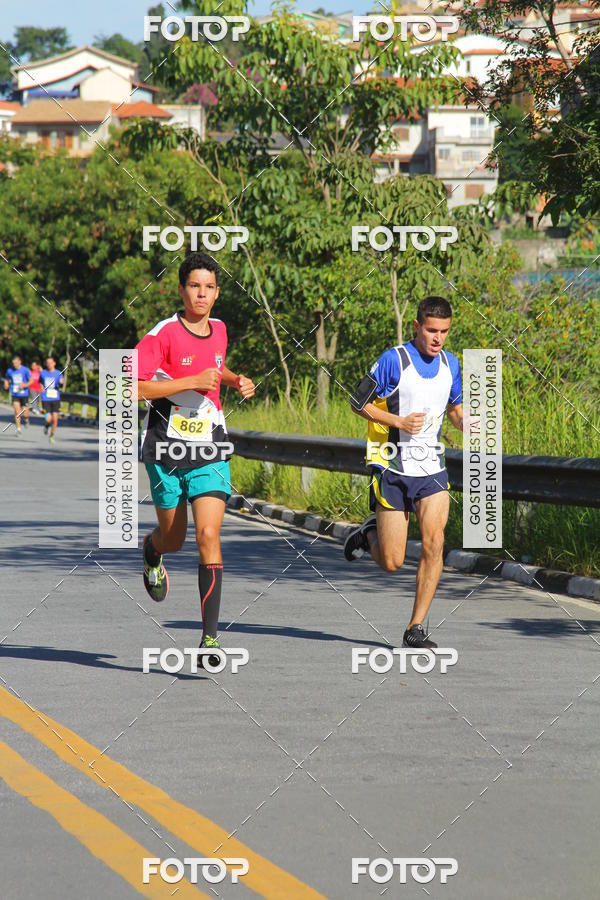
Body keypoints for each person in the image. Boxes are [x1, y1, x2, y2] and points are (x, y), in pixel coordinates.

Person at [136, 251, 255, 665]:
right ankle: (152, 552)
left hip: (209, 447)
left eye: (208, 288)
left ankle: (209, 639)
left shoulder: (219, 330)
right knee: (175, 539)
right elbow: (135, 387)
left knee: (208, 536)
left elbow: (215, 366)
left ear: (217, 292)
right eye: (194, 286)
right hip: (165, 448)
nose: (201, 294)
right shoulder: (162, 334)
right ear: (181, 289)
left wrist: (234, 378)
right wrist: (190, 381)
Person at [344, 296, 463, 649]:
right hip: (394, 467)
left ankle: (416, 627)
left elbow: (455, 409)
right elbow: (357, 402)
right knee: (393, 561)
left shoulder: (450, 364)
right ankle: (368, 535)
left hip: (432, 470)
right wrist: (397, 421)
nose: (437, 338)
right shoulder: (394, 361)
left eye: (444, 331)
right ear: (417, 326)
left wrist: (467, 421)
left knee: (435, 542)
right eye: (431, 330)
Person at [38, 357, 64, 443]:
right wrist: (41, 388)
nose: (49, 364)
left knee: (55, 419)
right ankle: (47, 425)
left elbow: (61, 381)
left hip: (55, 398)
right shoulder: (43, 373)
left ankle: (52, 435)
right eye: (47, 363)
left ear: (54, 363)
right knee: (49, 419)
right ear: (46, 364)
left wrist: (61, 382)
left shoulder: (58, 373)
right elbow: (40, 382)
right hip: (46, 398)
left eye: (50, 363)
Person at [4, 355, 31, 434]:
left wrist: (25, 385)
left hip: (24, 393)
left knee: (25, 411)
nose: (14, 365)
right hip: (15, 393)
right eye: (13, 363)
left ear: (20, 362)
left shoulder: (25, 370)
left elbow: (31, 380)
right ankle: (18, 428)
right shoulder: (10, 370)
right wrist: (6, 384)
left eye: (15, 363)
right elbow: (7, 379)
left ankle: (26, 419)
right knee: (17, 411)